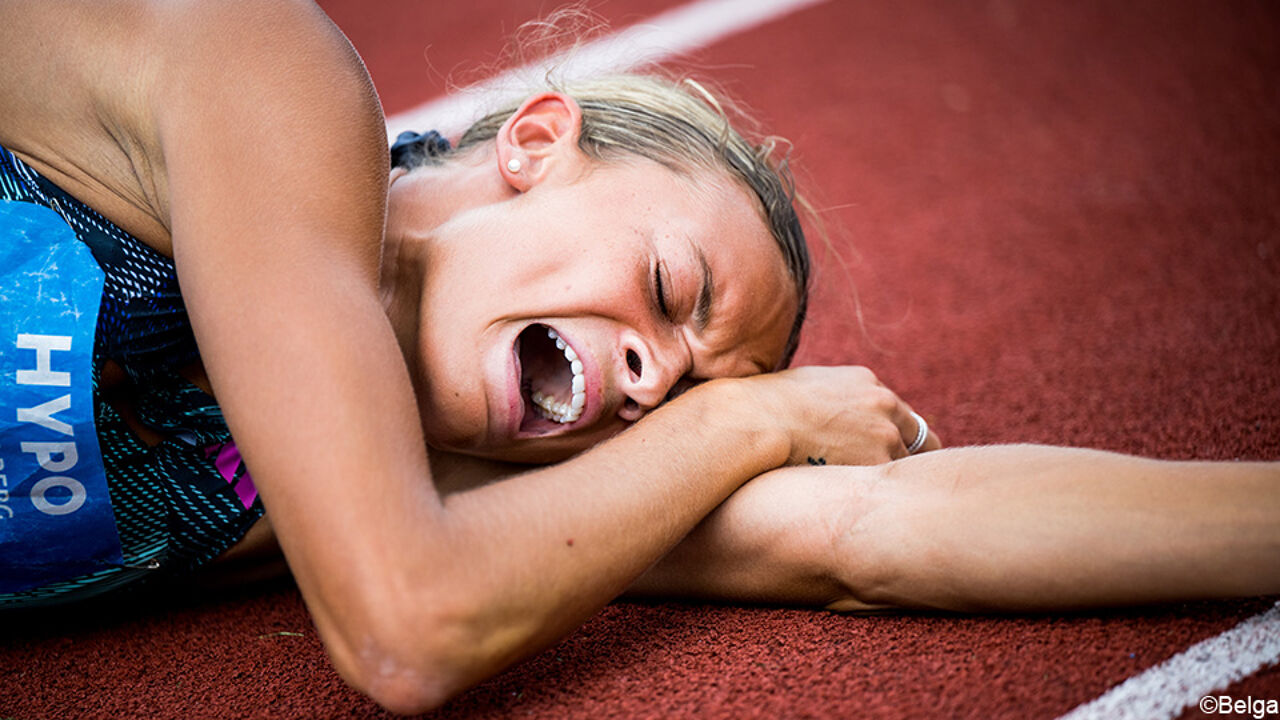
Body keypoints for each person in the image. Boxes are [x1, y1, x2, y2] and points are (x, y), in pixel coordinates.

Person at [0, 1, 1274, 714]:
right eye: (671, 290)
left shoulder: (419, 487)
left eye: (680, 394)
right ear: (537, 141)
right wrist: (736, 425)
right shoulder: (265, 81)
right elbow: (408, 628)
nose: (652, 390)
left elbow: (863, 527)